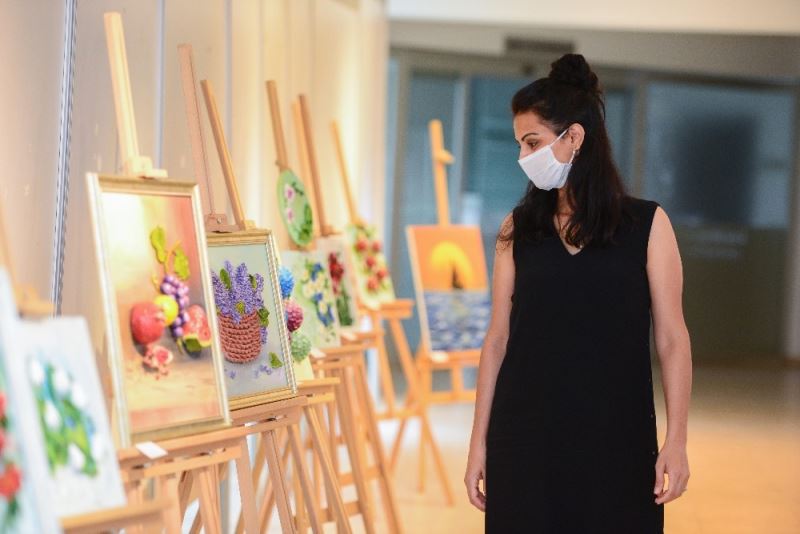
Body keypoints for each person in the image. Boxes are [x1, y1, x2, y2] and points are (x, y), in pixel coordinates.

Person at [464, 53, 692, 533]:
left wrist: (677, 439)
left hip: (618, 439)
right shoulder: (517, 228)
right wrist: (477, 443)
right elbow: (498, 340)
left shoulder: (648, 225)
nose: (524, 158)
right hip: (524, 439)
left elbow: (672, 339)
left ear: (574, 137)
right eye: (520, 145)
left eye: (533, 143)